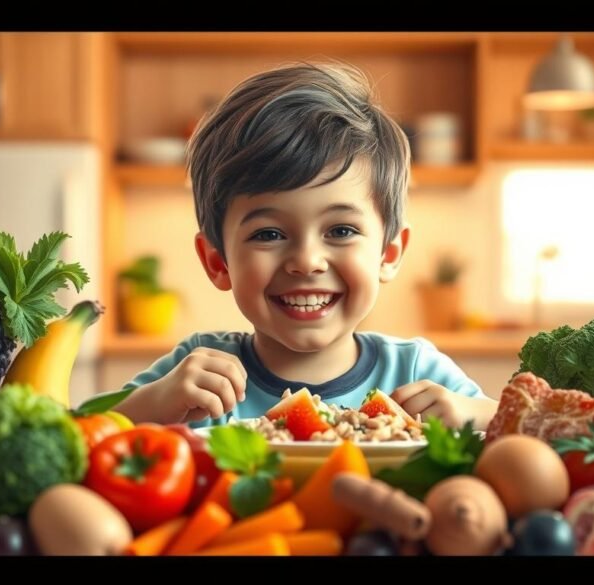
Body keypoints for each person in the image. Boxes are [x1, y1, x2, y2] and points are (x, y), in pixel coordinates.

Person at [100, 61, 498, 430]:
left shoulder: (415, 370)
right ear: (218, 262)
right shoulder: (196, 375)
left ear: (388, 254)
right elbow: (68, 435)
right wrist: (147, 407)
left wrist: (474, 415)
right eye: (269, 234)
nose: (306, 261)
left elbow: (525, 434)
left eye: (340, 230)